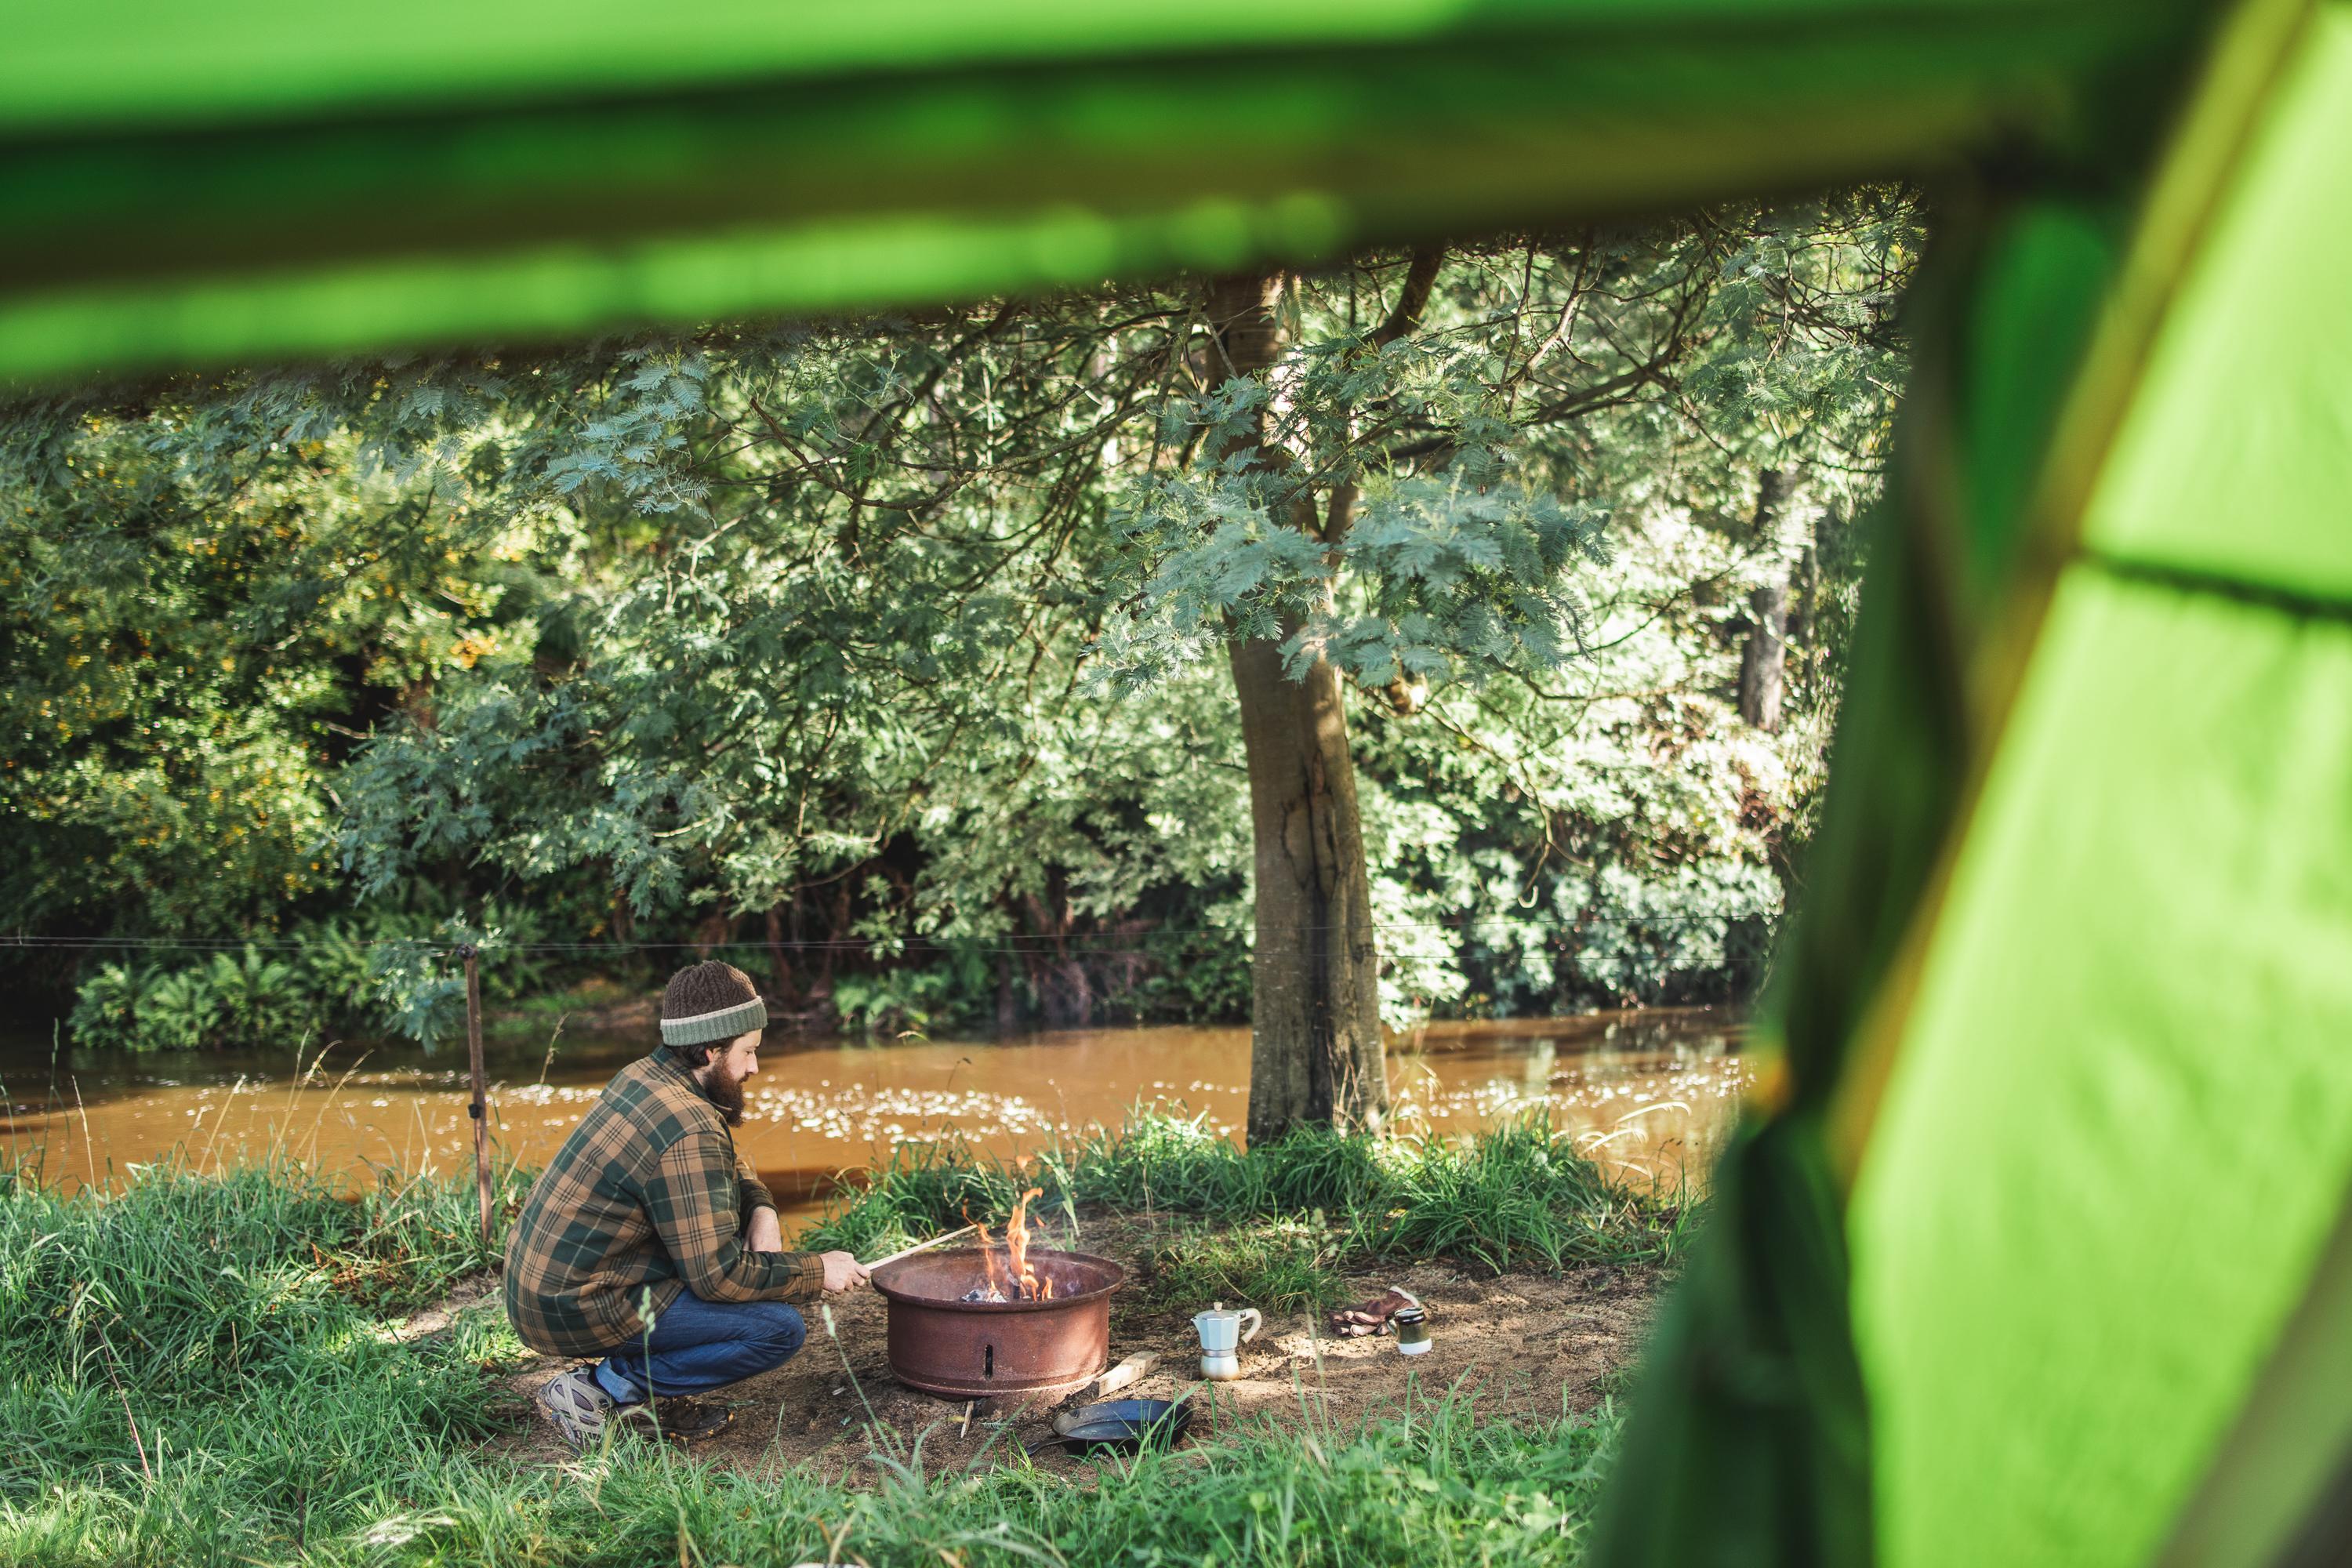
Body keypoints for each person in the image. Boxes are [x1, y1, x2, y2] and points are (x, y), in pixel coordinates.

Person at [506, 960, 869, 1447]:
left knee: (739, 1268)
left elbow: (724, 1165)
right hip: (577, 1304)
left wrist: (761, 1207)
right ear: (711, 1048)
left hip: (545, 1287)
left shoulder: (648, 1076)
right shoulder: (689, 1126)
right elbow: (721, 1277)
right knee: (777, 1329)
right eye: (748, 1053)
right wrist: (816, 1270)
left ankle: (644, 1384)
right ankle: (600, 1388)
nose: (754, 1069)